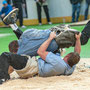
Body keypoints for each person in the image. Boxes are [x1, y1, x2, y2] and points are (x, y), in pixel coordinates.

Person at [0, 32, 81, 84]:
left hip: (30, 67)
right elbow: (77, 52)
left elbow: (40, 51)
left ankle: (4, 79)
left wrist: (50, 38)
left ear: (67, 56)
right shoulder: (70, 68)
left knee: (6, 55)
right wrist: (77, 39)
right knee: (13, 60)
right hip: (33, 71)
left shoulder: (58, 61)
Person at [3, 8, 90, 56]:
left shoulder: (21, 52)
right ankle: (12, 24)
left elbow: (19, 52)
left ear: (17, 49)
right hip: (55, 30)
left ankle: (12, 24)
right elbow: (23, 39)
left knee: (83, 39)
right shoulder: (26, 34)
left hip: (59, 37)